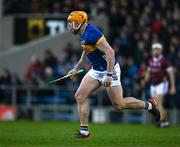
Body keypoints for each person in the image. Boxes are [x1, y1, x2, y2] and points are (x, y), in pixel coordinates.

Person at [67, 11, 160, 139]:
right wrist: (75, 68)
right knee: (79, 96)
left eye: (74, 23)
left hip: (110, 69)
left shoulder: (92, 33)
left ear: (81, 22)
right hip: (96, 69)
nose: (71, 26)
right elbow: (86, 51)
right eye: (71, 23)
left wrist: (109, 75)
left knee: (119, 104)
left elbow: (110, 52)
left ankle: (149, 105)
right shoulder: (83, 34)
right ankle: (85, 131)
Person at [142, 43, 176, 128]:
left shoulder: (164, 61)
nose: (155, 51)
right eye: (154, 49)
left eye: (157, 49)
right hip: (153, 85)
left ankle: (161, 121)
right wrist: (145, 80)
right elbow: (148, 73)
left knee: (159, 102)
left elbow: (171, 73)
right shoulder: (151, 61)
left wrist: (172, 86)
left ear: (160, 50)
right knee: (156, 104)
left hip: (162, 83)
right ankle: (165, 121)